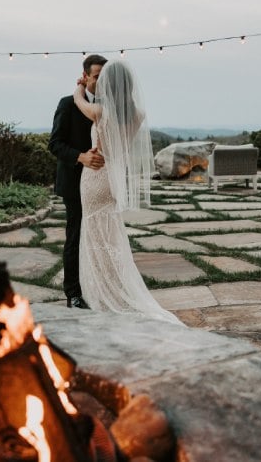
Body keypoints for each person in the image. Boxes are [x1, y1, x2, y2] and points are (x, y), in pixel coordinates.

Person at [72, 60, 181, 325]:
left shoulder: (99, 111)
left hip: (95, 178)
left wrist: (79, 88)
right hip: (115, 178)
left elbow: (79, 102)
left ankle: (101, 292)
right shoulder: (137, 115)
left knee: (94, 237)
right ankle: (117, 289)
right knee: (111, 238)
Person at [49, 54, 107, 308]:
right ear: (84, 77)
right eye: (96, 77)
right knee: (75, 237)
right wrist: (81, 157)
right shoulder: (67, 104)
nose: (101, 82)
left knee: (98, 237)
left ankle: (97, 285)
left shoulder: (109, 106)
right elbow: (55, 144)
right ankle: (73, 292)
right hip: (74, 182)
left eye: (105, 77)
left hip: (101, 185)